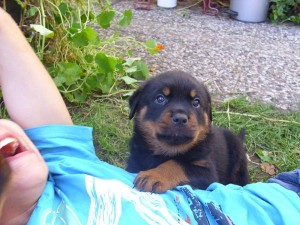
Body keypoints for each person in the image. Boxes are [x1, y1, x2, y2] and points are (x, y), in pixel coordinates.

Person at [0, 8, 299, 225]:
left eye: (195, 105)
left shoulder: (58, 170)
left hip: (275, 195)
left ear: (208, 117)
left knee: (234, 155)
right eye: (160, 99)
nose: (181, 114)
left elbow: (205, 175)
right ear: (136, 109)